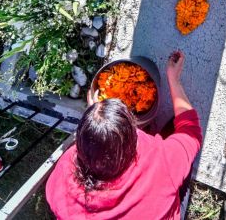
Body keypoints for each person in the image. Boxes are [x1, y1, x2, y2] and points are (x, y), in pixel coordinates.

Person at [46, 50, 203, 219]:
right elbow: (191, 131)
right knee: (176, 126)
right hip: (162, 204)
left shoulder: (60, 182)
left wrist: (98, 116)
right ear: (134, 141)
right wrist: (174, 80)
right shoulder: (163, 166)